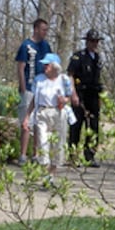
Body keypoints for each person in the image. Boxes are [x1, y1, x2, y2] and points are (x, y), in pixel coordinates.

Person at [27, 53, 75, 173]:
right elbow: (34, 99)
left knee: (57, 144)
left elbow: (68, 96)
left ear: (55, 66)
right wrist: (27, 116)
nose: (45, 67)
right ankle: (44, 171)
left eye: (47, 65)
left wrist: (64, 100)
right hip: (42, 113)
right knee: (43, 142)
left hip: (58, 113)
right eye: (44, 65)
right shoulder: (39, 80)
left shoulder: (64, 80)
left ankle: (51, 175)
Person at [14, 18, 52, 164]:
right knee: (26, 123)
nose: (45, 33)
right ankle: (22, 154)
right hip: (29, 87)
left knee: (38, 123)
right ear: (36, 29)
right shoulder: (26, 46)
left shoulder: (46, 46)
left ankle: (35, 154)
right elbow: (21, 67)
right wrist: (23, 90)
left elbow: (49, 66)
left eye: (46, 30)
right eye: (43, 29)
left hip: (41, 90)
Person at [67, 29, 105, 166]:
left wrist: (100, 98)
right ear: (87, 42)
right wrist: (73, 94)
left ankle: (90, 156)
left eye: (97, 41)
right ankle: (73, 155)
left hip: (93, 95)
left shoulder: (98, 58)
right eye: (92, 41)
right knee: (76, 126)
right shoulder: (79, 57)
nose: (95, 44)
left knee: (93, 126)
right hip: (80, 94)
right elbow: (70, 75)